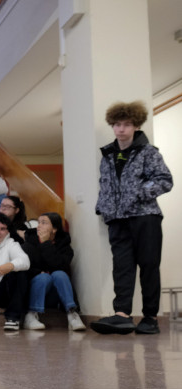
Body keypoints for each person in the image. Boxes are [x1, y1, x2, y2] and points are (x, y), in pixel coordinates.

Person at [91, 101, 173, 335]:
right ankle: (122, 315)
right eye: (117, 124)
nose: (121, 129)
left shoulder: (148, 152)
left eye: (127, 124)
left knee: (148, 266)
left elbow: (164, 180)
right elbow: (105, 184)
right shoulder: (107, 154)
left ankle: (150, 318)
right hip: (116, 219)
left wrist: (137, 194)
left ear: (136, 126)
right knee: (122, 267)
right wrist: (103, 207)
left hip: (145, 216)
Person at [21, 213, 86, 331]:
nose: (39, 226)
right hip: (35, 291)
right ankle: (31, 315)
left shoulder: (65, 248)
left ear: (54, 229)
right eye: (38, 222)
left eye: (44, 223)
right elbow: (24, 268)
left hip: (56, 295)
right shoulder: (28, 245)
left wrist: (46, 244)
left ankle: (72, 314)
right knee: (44, 278)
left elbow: (59, 265)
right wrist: (39, 273)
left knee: (60, 274)